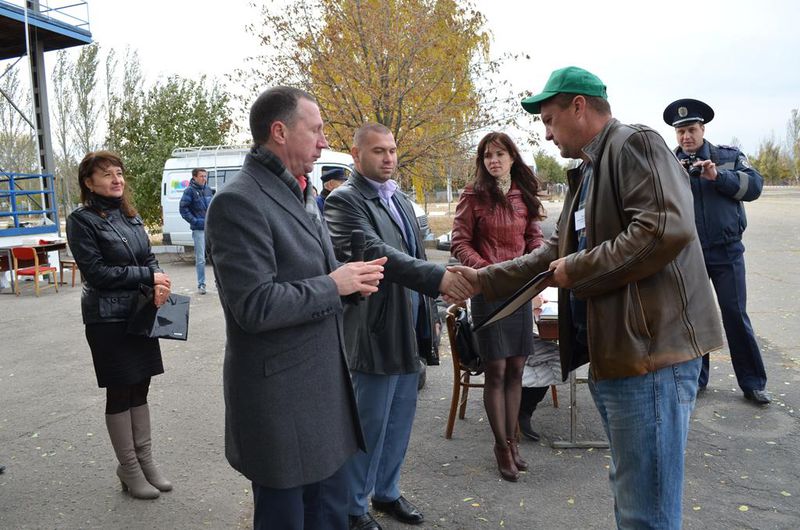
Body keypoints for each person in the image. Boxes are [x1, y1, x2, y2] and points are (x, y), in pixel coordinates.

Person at [449, 66, 723, 529]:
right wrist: (483, 280)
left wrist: (576, 269)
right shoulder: (590, 172)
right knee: (634, 497)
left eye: (550, 119)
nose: (547, 133)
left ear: (579, 106)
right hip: (625, 357)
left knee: (646, 512)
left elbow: (663, 228)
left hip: (651, 359)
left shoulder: (633, 143)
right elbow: (553, 252)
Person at [205, 87, 387, 530]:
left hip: (323, 398)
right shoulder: (238, 202)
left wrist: (349, 285)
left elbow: (307, 275)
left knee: (330, 517)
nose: (325, 141)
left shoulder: (301, 192)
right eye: (317, 129)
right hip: (281, 407)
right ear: (280, 132)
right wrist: (332, 284)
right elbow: (254, 305)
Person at [323, 123, 473, 530]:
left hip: (411, 327)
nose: (388, 158)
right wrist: (438, 277)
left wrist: (433, 310)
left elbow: (413, 252)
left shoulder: (401, 199)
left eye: (391, 150)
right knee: (369, 425)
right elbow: (374, 252)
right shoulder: (344, 201)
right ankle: (354, 508)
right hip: (374, 331)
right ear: (356, 156)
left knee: (400, 421)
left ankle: (386, 493)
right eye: (378, 151)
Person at [66, 151, 173, 500]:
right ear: (89, 182)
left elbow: (149, 256)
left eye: (119, 172)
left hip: (140, 312)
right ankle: (127, 466)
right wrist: (148, 275)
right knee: (120, 389)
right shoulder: (81, 220)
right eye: (107, 174)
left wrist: (157, 280)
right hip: (107, 316)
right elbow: (97, 273)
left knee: (141, 385)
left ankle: (145, 460)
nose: (117, 179)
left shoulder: (130, 214)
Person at [450, 131, 544, 482]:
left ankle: (513, 442)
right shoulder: (472, 196)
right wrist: (487, 273)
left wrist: (532, 267)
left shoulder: (524, 195)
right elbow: (459, 242)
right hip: (488, 293)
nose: (494, 160)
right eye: (488, 155)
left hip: (520, 291)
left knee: (518, 370)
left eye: (500, 154)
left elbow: (535, 238)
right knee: (497, 372)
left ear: (512, 157)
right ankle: (501, 448)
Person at [663, 98, 769, 404]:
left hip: (727, 251)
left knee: (735, 314)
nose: (686, 136)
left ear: (703, 129)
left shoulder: (728, 156)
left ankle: (752, 382)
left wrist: (717, 177)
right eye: (681, 131)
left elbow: (755, 187)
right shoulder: (668, 162)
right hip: (688, 253)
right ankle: (697, 380)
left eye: (691, 129)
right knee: (693, 318)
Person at [179, 167, 214, 294]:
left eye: (205, 176)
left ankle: (218, 282)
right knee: (201, 259)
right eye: (201, 176)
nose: (204, 179)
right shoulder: (189, 191)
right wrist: (195, 221)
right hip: (199, 229)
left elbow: (213, 207)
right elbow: (183, 209)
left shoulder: (208, 189)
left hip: (211, 228)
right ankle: (201, 284)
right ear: (194, 177)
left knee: (215, 256)